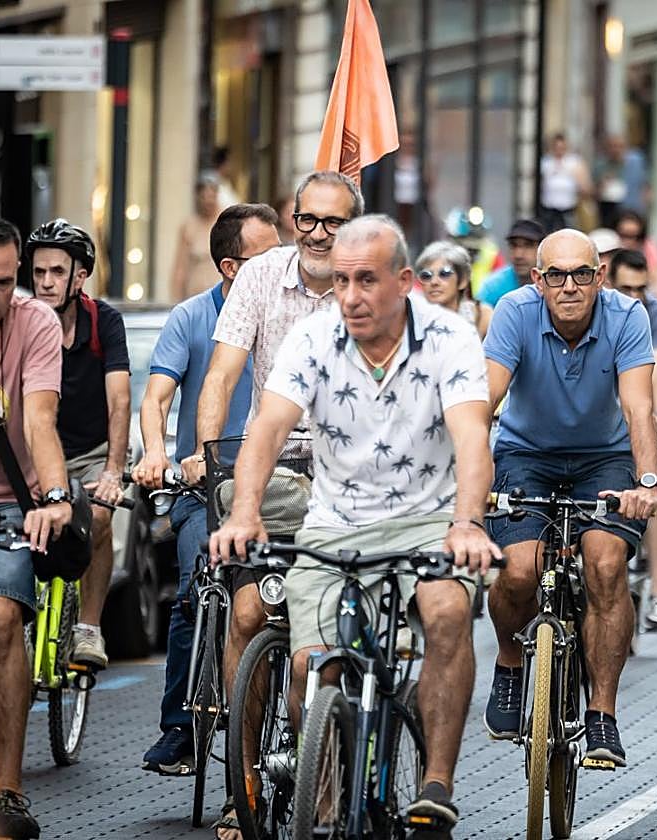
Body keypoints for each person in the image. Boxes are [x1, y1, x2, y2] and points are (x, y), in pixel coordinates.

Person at [209, 215, 500, 839]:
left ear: (404, 281)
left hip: (428, 520)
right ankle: (319, 780)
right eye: (341, 281)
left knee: (448, 614)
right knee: (308, 666)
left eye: (366, 280)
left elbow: (473, 438)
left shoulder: (450, 338)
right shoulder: (314, 338)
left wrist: (468, 524)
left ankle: (435, 786)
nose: (350, 296)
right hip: (335, 524)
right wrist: (245, 510)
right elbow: (268, 427)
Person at [190, 169, 362, 831]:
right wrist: (214, 466)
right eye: (308, 219)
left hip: (350, 479)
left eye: (334, 221)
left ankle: (326, 761)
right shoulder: (261, 277)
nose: (319, 232)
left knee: (315, 651)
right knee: (247, 616)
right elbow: (222, 376)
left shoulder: (368, 284)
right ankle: (245, 781)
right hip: (274, 468)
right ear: (293, 220)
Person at [481, 229, 657, 768]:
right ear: (538, 280)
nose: (568, 286)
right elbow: (485, 399)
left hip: (602, 459)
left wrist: (647, 484)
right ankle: (511, 663)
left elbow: (639, 411)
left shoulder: (627, 317)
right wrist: (463, 477)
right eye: (555, 275)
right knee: (518, 570)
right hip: (525, 454)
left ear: (598, 277)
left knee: (606, 566)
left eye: (581, 274)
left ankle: (602, 714)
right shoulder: (513, 312)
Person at [133, 204, 280, 777]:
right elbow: (157, 397)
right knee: (199, 580)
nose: (282, 266)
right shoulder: (191, 318)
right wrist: (156, 452)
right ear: (228, 267)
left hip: (278, 489)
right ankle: (179, 726)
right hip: (206, 488)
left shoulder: (287, 313)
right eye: (266, 258)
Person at [0, 215, 72, 839]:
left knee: (0, 618)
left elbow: (40, 420)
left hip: (6, 504)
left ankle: (8, 790)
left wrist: (53, 495)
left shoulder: (36, 324)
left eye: (5, 282)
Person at [26, 219, 130, 671]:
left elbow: (120, 401)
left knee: (100, 520)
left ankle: (88, 626)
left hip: (89, 452)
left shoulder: (103, 322)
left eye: (56, 272)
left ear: (79, 276)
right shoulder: (21, 320)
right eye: (38, 272)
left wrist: (112, 472)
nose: (45, 282)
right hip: (33, 451)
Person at [605, 248, 657, 629]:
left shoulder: (653, 313)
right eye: (626, 288)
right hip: (608, 411)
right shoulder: (600, 308)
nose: (635, 298)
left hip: (643, 404)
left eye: (641, 289)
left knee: (652, 485)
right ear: (609, 282)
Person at [414, 241, 493, 338]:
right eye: (426, 276)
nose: (434, 282)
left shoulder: (482, 316)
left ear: (463, 280)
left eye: (444, 274)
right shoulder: (410, 319)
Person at [170, 175, 223, 301]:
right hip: (195, 295)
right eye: (204, 197)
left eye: (212, 196)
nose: (208, 201)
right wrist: (176, 299)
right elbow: (180, 268)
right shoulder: (189, 226)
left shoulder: (226, 222)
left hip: (221, 296)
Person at [477, 218, 546, 308]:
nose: (518, 255)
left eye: (528, 245)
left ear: (543, 249)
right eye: (513, 245)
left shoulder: (556, 282)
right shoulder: (493, 287)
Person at [538, 133, 591, 232]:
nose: (559, 151)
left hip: (568, 209)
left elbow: (585, 187)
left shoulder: (575, 162)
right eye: (556, 147)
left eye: (562, 148)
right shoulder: (545, 162)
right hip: (549, 208)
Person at [594, 133, 649, 225]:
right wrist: (602, 186)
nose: (616, 150)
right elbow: (593, 191)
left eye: (620, 146)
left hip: (634, 210)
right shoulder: (601, 165)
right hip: (610, 212)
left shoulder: (636, 162)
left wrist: (645, 204)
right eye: (612, 146)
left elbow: (646, 185)